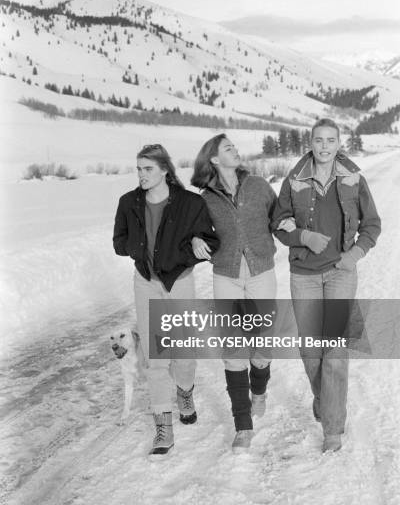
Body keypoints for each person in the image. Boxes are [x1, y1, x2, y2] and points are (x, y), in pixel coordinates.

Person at [272, 118, 381, 452]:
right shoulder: (294, 179)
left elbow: (372, 224)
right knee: (310, 350)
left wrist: (356, 254)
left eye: (330, 140)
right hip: (304, 275)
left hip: (340, 274)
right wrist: (303, 236)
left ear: (338, 143)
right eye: (318, 140)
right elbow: (278, 223)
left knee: (334, 351)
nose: (323, 146)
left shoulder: (353, 177)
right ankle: (324, 397)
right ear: (311, 142)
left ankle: (332, 430)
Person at [113, 144, 219, 459]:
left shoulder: (190, 203)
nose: (141, 174)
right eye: (138, 168)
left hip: (179, 282)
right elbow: (119, 243)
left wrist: (197, 240)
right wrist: (138, 245)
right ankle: (164, 427)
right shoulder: (128, 202)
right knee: (156, 357)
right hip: (145, 282)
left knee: (183, 354)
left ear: (164, 170)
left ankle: (185, 391)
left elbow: (210, 238)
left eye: (147, 168)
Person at [191, 134, 277, 453]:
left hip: (261, 271)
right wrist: (195, 241)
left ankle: (260, 390)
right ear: (213, 159)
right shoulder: (205, 197)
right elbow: (197, 231)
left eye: (234, 147)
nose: (235, 151)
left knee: (262, 342)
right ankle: (243, 425)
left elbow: (279, 216)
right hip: (225, 274)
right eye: (227, 148)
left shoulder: (257, 185)